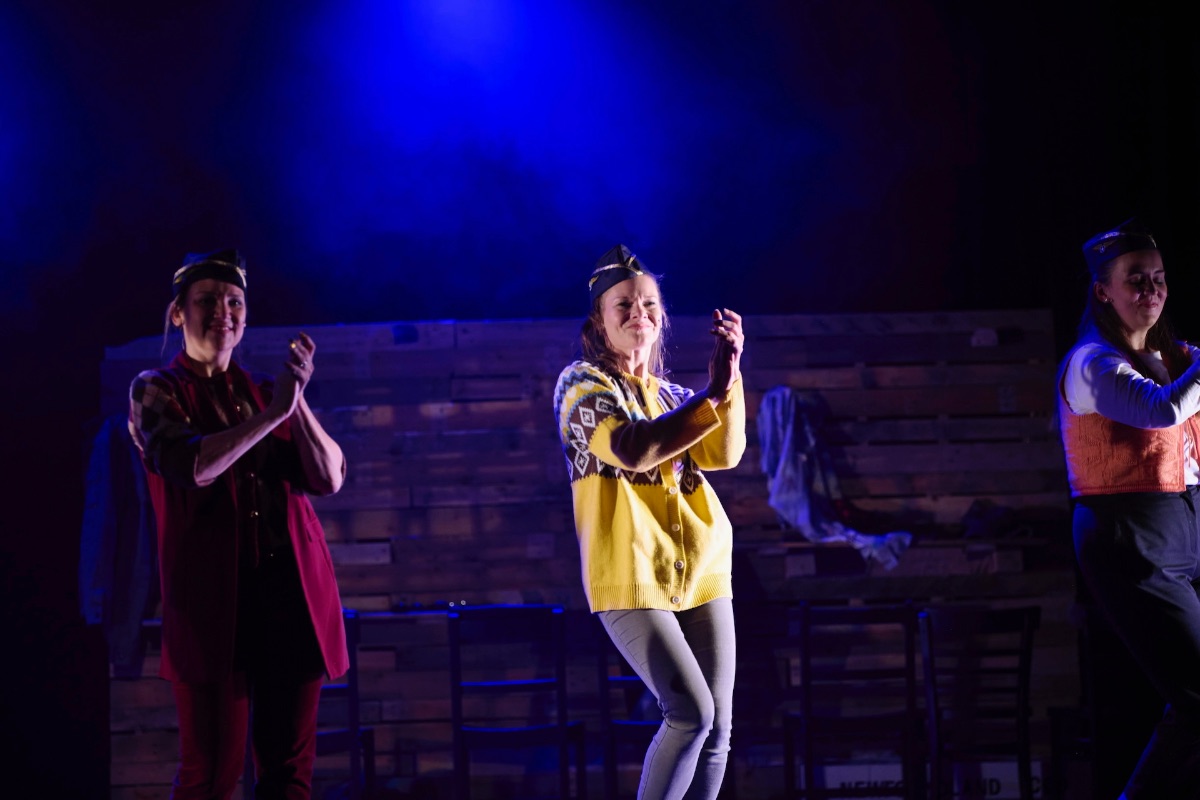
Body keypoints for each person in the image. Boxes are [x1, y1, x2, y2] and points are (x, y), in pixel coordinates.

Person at [128, 249, 349, 800]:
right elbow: (193, 466)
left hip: (289, 599)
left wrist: (295, 401)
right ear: (178, 312)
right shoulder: (156, 388)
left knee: (288, 777)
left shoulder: (265, 391)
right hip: (211, 607)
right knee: (209, 778)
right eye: (206, 300)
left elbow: (330, 478)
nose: (222, 312)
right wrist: (272, 415)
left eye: (234, 302)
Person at [552, 244, 746, 800]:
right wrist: (712, 395)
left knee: (717, 730)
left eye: (649, 304)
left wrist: (730, 380)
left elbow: (724, 454)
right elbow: (633, 449)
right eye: (624, 304)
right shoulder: (580, 385)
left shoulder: (674, 396)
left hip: (703, 572)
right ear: (599, 321)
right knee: (690, 712)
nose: (639, 311)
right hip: (630, 575)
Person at [1059, 218, 1200, 798]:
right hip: (1130, 533)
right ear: (1103, 291)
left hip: (1183, 523)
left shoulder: (1176, 357)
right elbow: (1161, 412)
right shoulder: (1092, 363)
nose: (1153, 289)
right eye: (1136, 279)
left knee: (1192, 697)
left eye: (1159, 277)